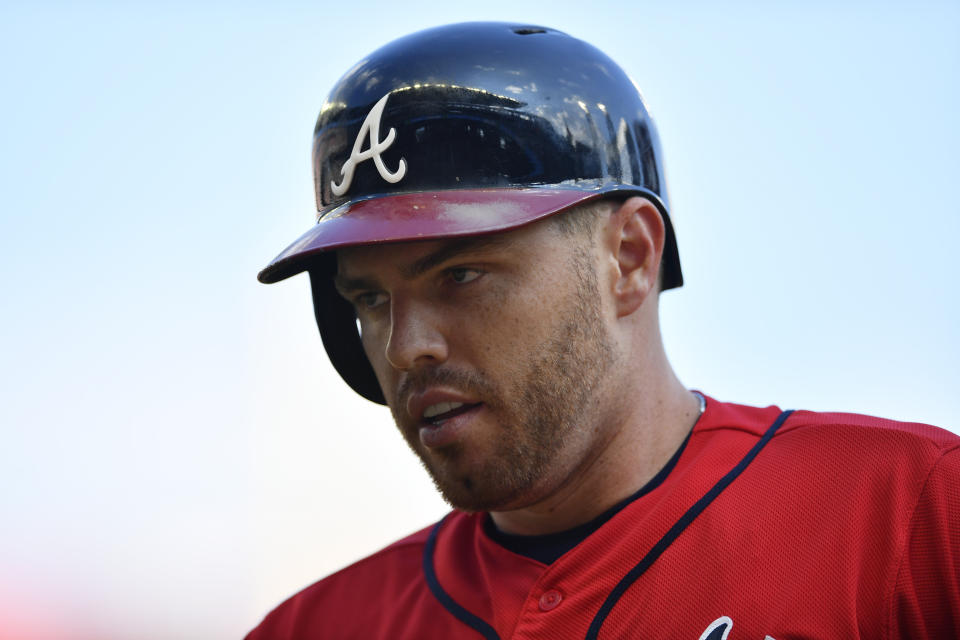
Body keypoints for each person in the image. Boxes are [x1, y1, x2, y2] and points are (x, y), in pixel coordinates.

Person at [248, 22, 959, 639]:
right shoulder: (313, 628)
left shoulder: (914, 515)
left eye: (459, 274)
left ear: (629, 258)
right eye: (370, 300)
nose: (406, 347)